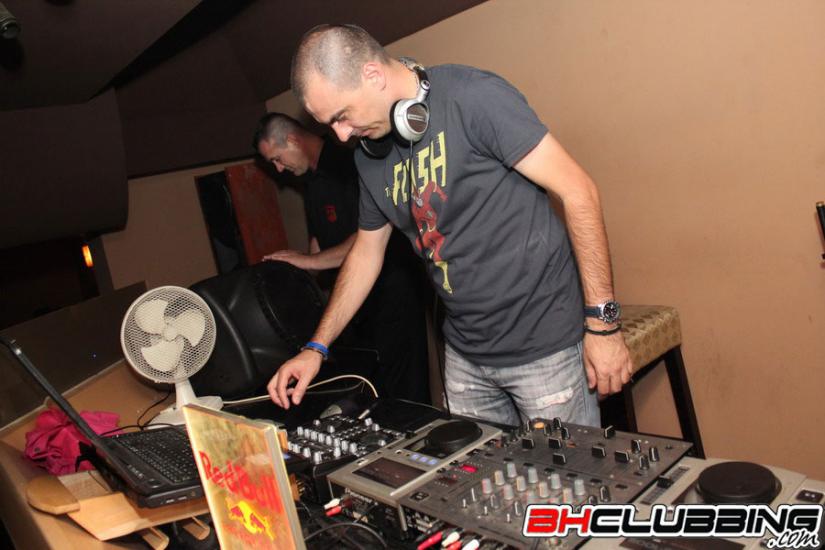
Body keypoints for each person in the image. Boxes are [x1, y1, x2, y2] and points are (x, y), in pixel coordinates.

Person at [268, 24, 633, 428]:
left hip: (544, 348)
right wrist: (316, 347)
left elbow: (579, 192)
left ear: (372, 74)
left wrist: (603, 326)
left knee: (564, 471)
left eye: (341, 116)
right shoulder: (367, 157)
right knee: (479, 470)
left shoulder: (472, 96)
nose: (340, 135)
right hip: (464, 356)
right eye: (330, 124)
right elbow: (366, 253)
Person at [252, 113, 430, 403]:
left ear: (293, 140)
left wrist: (306, 261)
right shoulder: (311, 183)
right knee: (371, 395)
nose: (279, 168)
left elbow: (364, 242)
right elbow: (318, 245)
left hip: (391, 300)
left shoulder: (351, 165)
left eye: (277, 158)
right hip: (355, 310)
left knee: (406, 395)